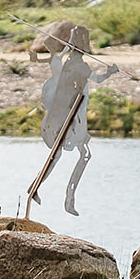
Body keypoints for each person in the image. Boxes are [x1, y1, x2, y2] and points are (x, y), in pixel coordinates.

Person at [29, 24, 116, 216]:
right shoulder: (80, 66)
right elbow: (98, 79)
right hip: (67, 120)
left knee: (70, 154)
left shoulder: (68, 62)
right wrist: (111, 72)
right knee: (79, 155)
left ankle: (39, 188)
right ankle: (67, 196)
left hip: (64, 117)